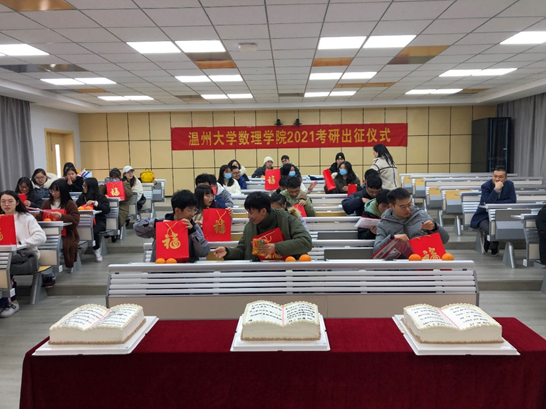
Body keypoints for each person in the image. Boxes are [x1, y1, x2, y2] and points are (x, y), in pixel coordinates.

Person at [213, 191, 312, 261]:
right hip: (259, 274)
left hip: (289, 271)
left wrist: (276, 247)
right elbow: (243, 251)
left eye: (251, 213)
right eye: (248, 212)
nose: (249, 216)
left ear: (263, 211)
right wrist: (228, 252)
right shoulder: (250, 227)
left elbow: (305, 242)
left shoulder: (287, 219)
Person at [0, 190, 46, 318]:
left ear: (17, 202)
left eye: (10, 201)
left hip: (26, 255)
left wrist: (21, 243)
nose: (6, 204)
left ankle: (12, 302)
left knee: (5, 265)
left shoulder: (26, 218)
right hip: (4, 254)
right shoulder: (0, 218)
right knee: (3, 262)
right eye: (3, 202)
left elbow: (41, 237)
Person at [134, 190, 210, 262]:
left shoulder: (193, 227)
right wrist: (156, 223)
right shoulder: (162, 223)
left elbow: (203, 252)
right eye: (189, 210)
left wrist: (192, 232)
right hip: (162, 268)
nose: (193, 214)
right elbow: (137, 228)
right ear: (177, 210)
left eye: (194, 210)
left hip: (186, 268)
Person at [373, 188, 449, 255]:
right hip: (399, 264)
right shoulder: (383, 224)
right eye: (403, 207)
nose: (407, 209)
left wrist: (434, 227)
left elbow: (445, 239)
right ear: (391, 206)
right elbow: (376, 251)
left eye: (409, 205)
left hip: (423, 261)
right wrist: (392, 238)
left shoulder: (421, 216)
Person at [39, 180, 81, 281]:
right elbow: (41, 217)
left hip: (66, 234)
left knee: (56, 248)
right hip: (48, 234)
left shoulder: (69, 204)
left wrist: (62, 216)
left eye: (56, 191)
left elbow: (75, 220)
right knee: (42, 248)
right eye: (51, 191)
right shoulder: (46, 203)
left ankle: (50, 275)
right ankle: (45, 272)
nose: (53, 193)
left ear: (63, 191)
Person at [470, 167, 516, 255]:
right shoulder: (486, 186)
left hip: (501, 215)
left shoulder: (510, 185)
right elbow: (488, 202)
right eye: (495, 176)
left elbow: (512, 201)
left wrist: (495, 203)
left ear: (505, 178)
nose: (497, 179)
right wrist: (496, 190)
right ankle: (494, 244)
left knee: (500, 227)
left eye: (500, 177)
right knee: (489, 229)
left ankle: (489, 242)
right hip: (484, 216)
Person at [76, 178, 110, 262]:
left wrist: (95, 203)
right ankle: (80, 248)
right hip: (83, 222)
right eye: (83, 186)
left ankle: (97, 249)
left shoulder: (101, 197)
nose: (83, 188)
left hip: (99, 222)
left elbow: (107, 210)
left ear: (91, 187)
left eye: (85, 186)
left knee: (93, 230)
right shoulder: (82, 197)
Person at [100, 168, 133, 236]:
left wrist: (121, 185)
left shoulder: (125, 183)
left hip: (122, 207)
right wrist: (105, 185)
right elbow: (100, 193)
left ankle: (115, 232)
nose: (114, 179)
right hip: (109, 206)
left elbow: (129, 195)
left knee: (117, 216)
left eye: (116, 177)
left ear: (120, 177)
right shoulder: (108, 184)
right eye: (112, 177)